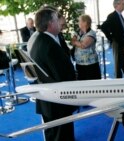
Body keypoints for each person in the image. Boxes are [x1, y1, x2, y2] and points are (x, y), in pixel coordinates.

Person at [30, 8, 77, 141]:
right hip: (58, 103)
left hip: (49, 101)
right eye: (57, 20)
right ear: (50, 23)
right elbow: (63, 76)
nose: (59, 22)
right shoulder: (49, 46)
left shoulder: (40, 40)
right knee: (62, 136)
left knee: (54, 135)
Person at [101, 0, 124, 78]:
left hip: (123, 43)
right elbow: (103, 27)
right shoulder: (112, 16)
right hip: (117, 43)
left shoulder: (120, 15)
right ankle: (118, 81)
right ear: (117, 5)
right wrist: (111, 38)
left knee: (123, 62)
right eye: (123, 4)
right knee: (117, 64)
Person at [71, 14, 101, 80]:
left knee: (92, 84)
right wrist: (77, 42)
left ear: (85, 23)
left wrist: (76, 42)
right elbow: (72, 41)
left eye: (80, 21)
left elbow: (84, 45)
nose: (78, 23)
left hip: (90, 64)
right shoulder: (78, 32)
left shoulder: (91, 33)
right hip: (79, 64)